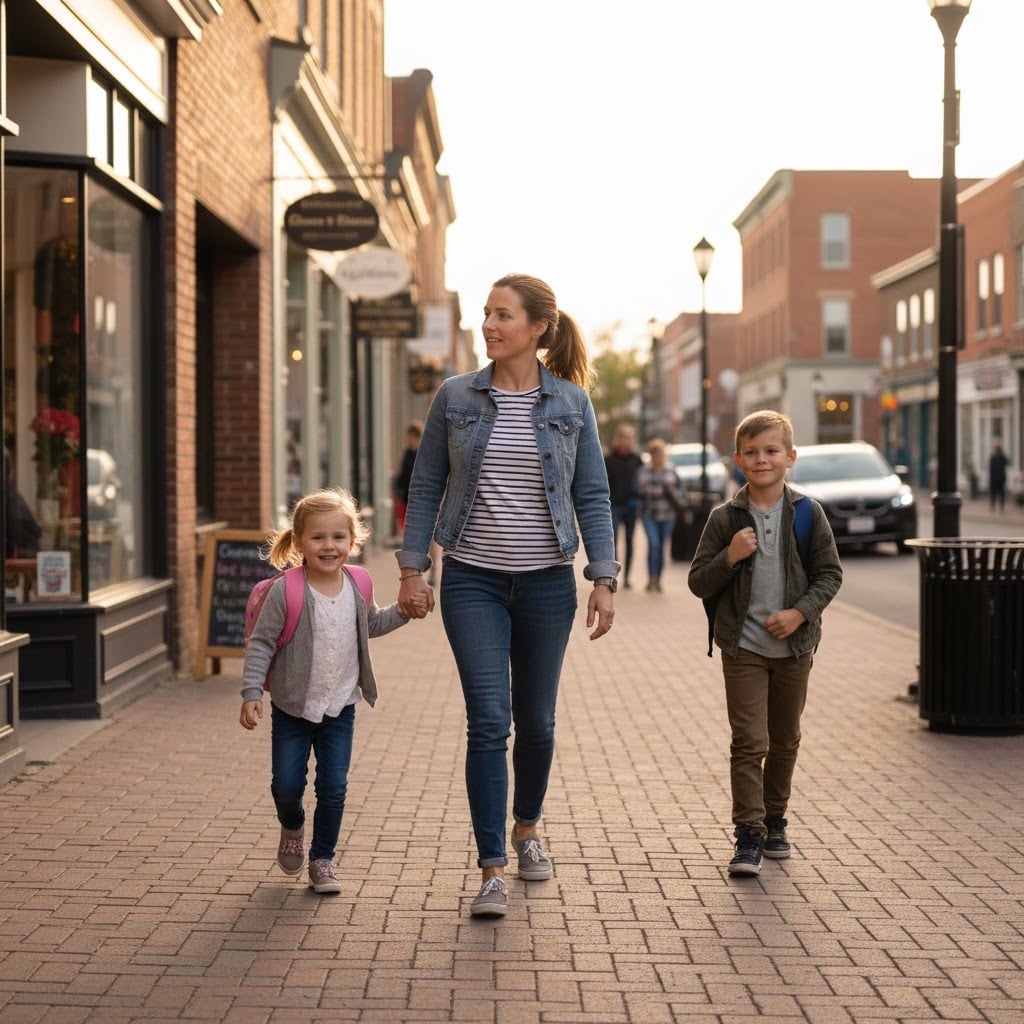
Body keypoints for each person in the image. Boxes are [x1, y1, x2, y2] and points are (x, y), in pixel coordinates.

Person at [395, 272, 618, 919]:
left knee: (539, 724)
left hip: (549, 583)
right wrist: (414, 568)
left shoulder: (572, 403)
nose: (489, 325)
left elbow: (593, 494)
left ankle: (528, 829)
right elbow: (427, 482)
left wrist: (604, 577)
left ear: (538, 328)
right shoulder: (455, 396)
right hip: (473, 582)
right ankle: (491, 866)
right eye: (487, 314)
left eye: (503, 315)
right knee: (490, 721)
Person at [239, 487, 428, 894]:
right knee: (286, 785)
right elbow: (261, 643)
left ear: (352, 540)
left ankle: (322, 858)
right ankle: (292, 825)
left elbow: (372, 625)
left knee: (334, 787)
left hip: (340, 707)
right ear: (300, 542)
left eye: (338, 537)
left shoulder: (358, 582)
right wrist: (252, 692)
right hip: (291, 708)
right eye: (318, 538)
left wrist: (405, 612)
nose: (329, 546)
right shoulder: (285, 591)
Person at [687, 411, 842, 878]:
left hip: (795, 649)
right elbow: (698, 581)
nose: (762, 460)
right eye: (751, 452)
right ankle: (748, 834)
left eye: (772, 451)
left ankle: (776, 819)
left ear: (790, 457)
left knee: (786, 740)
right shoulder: (725, 518)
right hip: (743, 647)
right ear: (737, 460)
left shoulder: (808, 514)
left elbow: (830, 574)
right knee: (748, 741)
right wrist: (731, 557)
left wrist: (799, 613)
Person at [636, 437, 685, 592]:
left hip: (668, 515)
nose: (658, 457)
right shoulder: (643, 471)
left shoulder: (671, 470)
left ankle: (658, 580)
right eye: (655, 454)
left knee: (662, 547)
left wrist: (674, 494)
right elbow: (638, 491)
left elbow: (681, 492)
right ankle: (651, 578)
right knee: (653, 544)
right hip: (649, 514)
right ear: (651, 455)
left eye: (661, 453)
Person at [604, 423, 643, 589]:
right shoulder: (608, 459)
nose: (626, 441)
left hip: (631, 506)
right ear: (617, 439)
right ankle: (614, 575)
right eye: (623, 437)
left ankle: (627, 577)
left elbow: (643, 483)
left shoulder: (637, 460)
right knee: (612, 541)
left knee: (629, 540)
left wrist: (639, 499)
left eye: (629, 437)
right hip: (613, 506)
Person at [4, 448, 43, 559]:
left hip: (20, 552)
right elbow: (36, 530)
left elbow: (16, 530)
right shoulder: (11, 494)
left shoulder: (10, 496)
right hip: (20, 551)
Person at [391, 420, 423, 536]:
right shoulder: (407, 452)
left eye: (410, 437)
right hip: (405, 493)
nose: (408, 440)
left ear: (417, 437)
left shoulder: (422, 453)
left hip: (418, 493)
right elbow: (401, 471)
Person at [988, 442, 1009, 512]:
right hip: (1000, 479)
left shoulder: (993, 457)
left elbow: (990, 468)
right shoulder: (1002, 457)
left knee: (994, 494)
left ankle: (993, 507)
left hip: (995, 479)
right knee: (1001, 494)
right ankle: (1000, 508)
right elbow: (1007, 463)